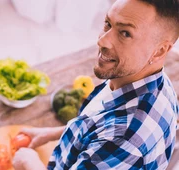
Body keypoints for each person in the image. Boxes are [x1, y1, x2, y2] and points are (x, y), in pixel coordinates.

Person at [12, 0, 179, 169]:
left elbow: (113, 138)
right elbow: (97, 123)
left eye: (125, 33)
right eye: (108, 23)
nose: (102, 41)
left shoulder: (123, 140)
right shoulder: (153, 81)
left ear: (159, 51)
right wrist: (51, 133)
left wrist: (29, 162)